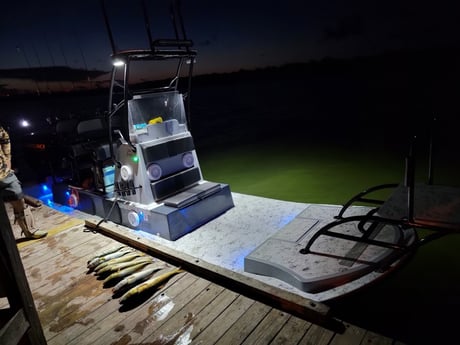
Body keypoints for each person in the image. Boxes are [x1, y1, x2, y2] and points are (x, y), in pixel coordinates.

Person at [0, 126, 47, 239]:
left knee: (17, 196)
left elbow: (4, 137)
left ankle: (30, 230)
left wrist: (7, 158)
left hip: (2, 170)